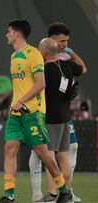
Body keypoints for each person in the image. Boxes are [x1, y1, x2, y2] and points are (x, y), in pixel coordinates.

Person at [0, 20, 71, 203]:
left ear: (18, 34)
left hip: (33, 112)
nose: (6, 34)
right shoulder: (14, 56)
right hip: (16, 113)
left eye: (9, 31)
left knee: (43, 153)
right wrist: (15, 102)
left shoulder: (33, 54)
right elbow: (22, 85)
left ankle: (64, 191)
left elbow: (40, 83)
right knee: (9, 148)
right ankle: (9, 195)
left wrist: (20, 101)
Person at [29, 22, 87, 202]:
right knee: (60, 155)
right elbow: (82, 69)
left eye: (67, 42)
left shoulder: (47, 65)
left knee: (48, 155)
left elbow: (37, 84)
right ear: (52, 40)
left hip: (49, 115)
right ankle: (60, 192)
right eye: (62, 42)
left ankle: (54, 193)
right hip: (64, 115)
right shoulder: (65, 65)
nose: (65, 45)